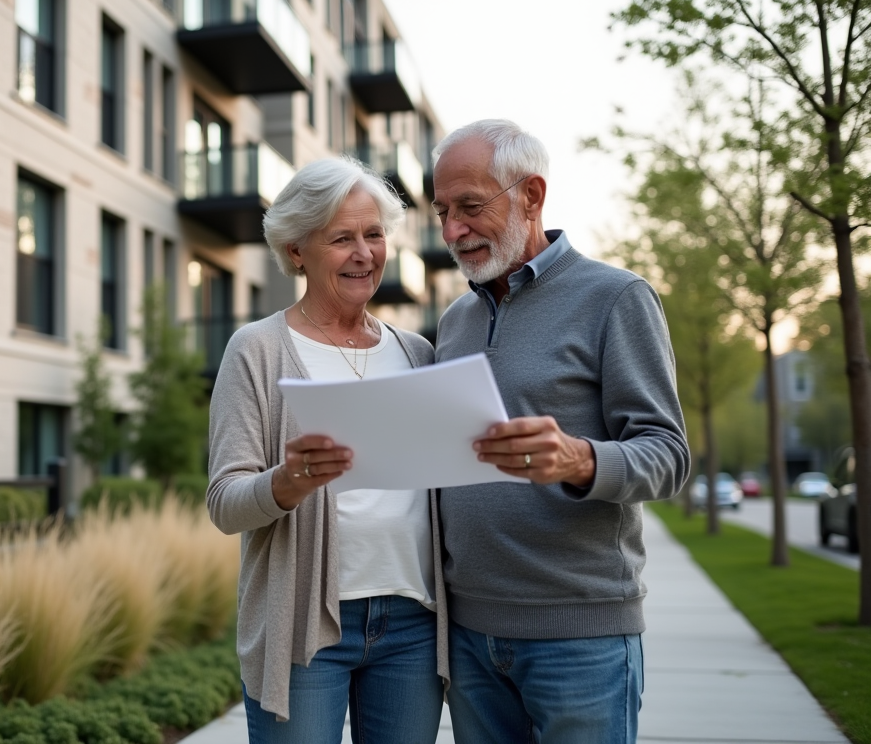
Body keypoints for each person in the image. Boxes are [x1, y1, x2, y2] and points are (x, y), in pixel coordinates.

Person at [431, 119, 690, 744]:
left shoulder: (616, 297)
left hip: (582, 637)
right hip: (468, 638)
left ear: (531, 194)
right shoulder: (455, 320)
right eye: (441, 211)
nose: (451, 231)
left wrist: (579, 460)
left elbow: (669, 456)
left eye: (470, 207)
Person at [207, 157, 448, 744]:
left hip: (412, 621)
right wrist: (285, 483)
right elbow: (223, 501)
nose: (364, 253)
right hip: (304, 623)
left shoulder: (416, 351)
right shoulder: (257, 350)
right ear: (295, 251)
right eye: (341, 238)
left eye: (374, 234)